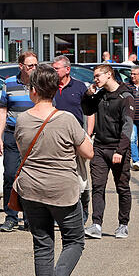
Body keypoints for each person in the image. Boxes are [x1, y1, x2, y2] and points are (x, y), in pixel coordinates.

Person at [14, 64, 93, 276]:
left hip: (31, 189)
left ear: (33, 91)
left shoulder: (23, 119)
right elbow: (88, 152)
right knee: (74, 241)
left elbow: (20, 145)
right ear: (55, 91)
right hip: (63, 190)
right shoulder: (67, 120)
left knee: (42, 243)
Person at [81, 65, 134, 240]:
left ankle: (123, 225)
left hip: (118, 149)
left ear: (109, 75)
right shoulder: (100, 95)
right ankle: (96, 225)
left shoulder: (125, 96)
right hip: (100, 148)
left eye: (98, 76)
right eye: (94, 76)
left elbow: (127, 126)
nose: (95, 79)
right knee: (98, 186)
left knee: (122, 188)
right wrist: (88, 94)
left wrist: (120, 150)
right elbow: (87, 110)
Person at [0, 51, 38, 232]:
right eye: (30, 66)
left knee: (31, 177)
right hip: (12, 135)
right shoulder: (9, 83)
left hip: (34, 135)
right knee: (11, 175)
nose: (34, 69)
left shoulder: (40, 83)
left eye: (36, 65)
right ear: (21, 66)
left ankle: (30, 218)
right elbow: (3, 111)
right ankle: (11, 216)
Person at [51, 55, 92, 224]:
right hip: (55, 141)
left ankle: (83, 212)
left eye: (56, 69)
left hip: (77, 139)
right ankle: (59, 215)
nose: (54, 71)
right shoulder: (50, 87)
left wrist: (87, 135)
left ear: (67, 69)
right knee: (58, 179)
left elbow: (90, 112)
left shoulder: (80, 87)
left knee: (80, 180)